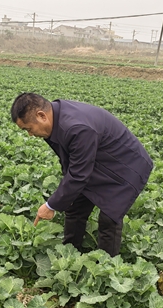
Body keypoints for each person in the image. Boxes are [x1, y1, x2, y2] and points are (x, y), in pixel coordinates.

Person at [11, 93, 153, 257]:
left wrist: (51, 205)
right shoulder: (54, 118)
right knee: (75, 206)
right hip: (99, 159)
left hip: (127, 165)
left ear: (41, 116)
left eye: (28, 129)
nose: (30, 134)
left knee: (109, 218)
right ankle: (70, 254)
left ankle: (106, 266)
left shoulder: (77, 128)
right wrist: (64, 197)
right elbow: (70, 162)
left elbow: (79, 174)